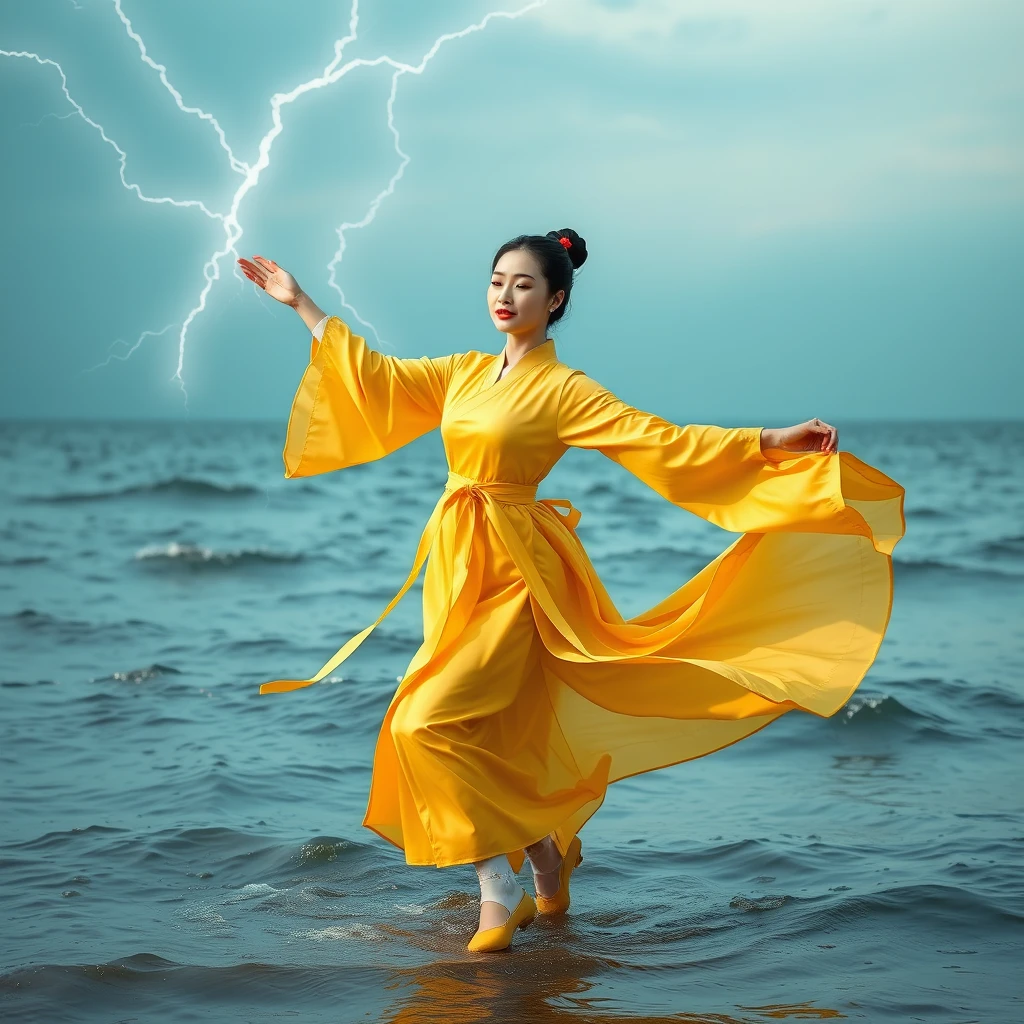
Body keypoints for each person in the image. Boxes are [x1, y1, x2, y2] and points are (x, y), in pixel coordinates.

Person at [237, 229, 905, 953]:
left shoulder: (564, 389)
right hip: (459, 568)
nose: (505, 295)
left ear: (555, 300)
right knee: (481, 732)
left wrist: (769, 442)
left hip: (522, 576)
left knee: (419, 722)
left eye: (523, 285)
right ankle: (550, 861)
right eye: (496, 281)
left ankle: (500, 889)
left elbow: (659, 440)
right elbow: (376, 378)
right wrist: (301, 304)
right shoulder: (462, 372)